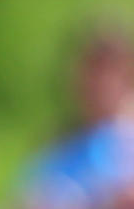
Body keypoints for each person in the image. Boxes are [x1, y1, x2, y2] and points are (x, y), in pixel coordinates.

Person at [20, 29, 134, 209]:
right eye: (93, 72)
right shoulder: (56, 146)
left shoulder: (126, 140)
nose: (100, 84)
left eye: (110, 71)